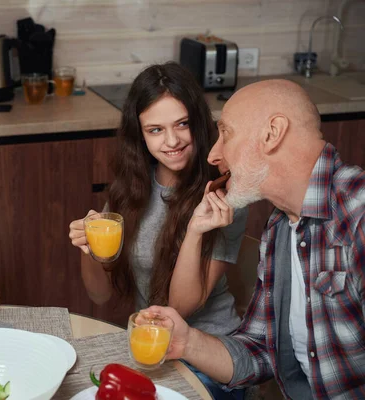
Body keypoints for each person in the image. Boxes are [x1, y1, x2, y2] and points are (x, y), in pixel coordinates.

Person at [143, 79, 365, 399]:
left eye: (227, 134)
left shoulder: (358, 216)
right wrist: (187, 342)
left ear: (272, 133)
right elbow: (262, 352)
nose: (213, 154)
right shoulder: (279, 229)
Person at [69, 63, 248, 400]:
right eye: (155, 130)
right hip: (149, 352)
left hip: (207, 358)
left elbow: (180, 308)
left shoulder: (225, 195)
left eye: (182, 124)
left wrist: (194, 229)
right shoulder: (130, 190)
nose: (172, 141)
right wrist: (91, 251)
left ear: (199, 121)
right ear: (140, 133)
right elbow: (99, 295)